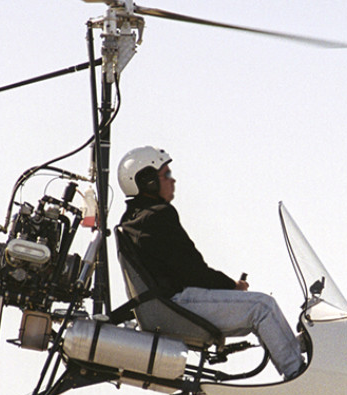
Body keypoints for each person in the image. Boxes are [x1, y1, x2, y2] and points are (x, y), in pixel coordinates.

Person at [115, 146, 305, 379]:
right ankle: (298, 374)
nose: (172, 181)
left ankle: (292, 350)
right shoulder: (158, 216)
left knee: (259, 310)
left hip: (165, 305)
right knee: (262, 307)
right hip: (177, 304)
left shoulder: (134, 219)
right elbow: (193, 271)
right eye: (166, 175)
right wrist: (232, 286)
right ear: (148, 181)